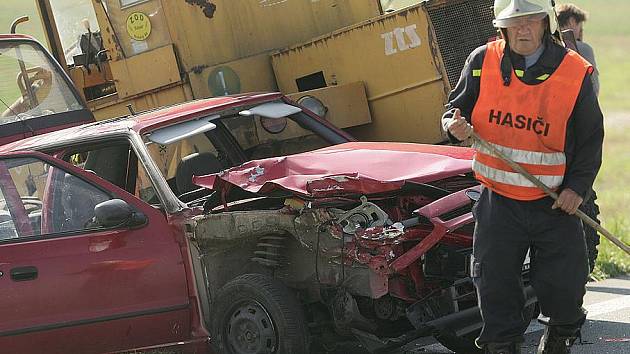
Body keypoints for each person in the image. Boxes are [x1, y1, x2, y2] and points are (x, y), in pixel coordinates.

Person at [441, 0, 604, 353]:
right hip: (497, 200)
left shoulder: (575, 72)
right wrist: (454, 127)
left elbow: (591, 139)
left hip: (555, 202)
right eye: (515, 23)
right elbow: (455, 109)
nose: (524, 30)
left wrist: (577, 188)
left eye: (531, 21)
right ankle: (503, 346)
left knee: (565, 285)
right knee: (495, 284)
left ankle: (560, 335)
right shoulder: (481, 61)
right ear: (502, 27)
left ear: (546, 23)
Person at [557, 3, 599, 96]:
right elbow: (594, 88)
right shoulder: (583, 49)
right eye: (580, 24)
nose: (581, 29)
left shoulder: (548, 46)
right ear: (572, 21)